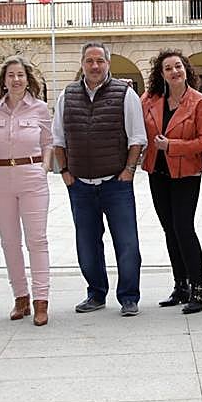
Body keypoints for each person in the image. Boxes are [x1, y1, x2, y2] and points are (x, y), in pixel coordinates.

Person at [52, 42, 145, 317]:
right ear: (82, 64)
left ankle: (129, 297)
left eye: (100, 61)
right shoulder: (67, 96)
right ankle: (96, 294)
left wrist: (129, 171)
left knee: (127, 243)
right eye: (89, 61)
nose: (95, 66)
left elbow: (137, 137)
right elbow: (58, 139)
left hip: (116, 184)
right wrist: (65, 172)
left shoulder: (125, 94)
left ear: (108, 64)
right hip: (80, 185)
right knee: (87, 244)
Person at [142, 49, 202, 314]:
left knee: (183, 228)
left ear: (186, 70)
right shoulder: (150, 100)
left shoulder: (199, 102)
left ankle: (198, 288)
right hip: (157, 173)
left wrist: (172, 145)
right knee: (169, 230)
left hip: (186, 174)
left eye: (178, 66)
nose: (174, 71)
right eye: (168, 68)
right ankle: (180, 285)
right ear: (161, 74)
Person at [0, 56, 53, 326]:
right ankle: (20, 297)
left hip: (31, 176)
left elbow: (48, 142)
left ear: (28, 79)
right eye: (11, 75)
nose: (16, 79)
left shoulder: (40, 108)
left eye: (20, 75)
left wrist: (44, 168)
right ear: (3, 80)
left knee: (37, 240)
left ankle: (41, 301)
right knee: (9, 241)